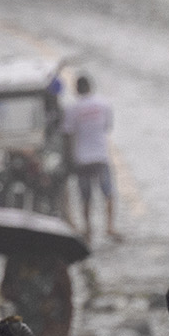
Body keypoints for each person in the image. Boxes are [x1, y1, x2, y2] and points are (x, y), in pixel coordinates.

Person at [63, 72, 118, 242]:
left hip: (82, 159)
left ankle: (88, 230)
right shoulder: (104, 104)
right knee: (108, 193)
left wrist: (69, 159)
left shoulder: (72, 108)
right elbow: (107, 127)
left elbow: (68, 133)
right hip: (101, 156)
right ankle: (109, 227)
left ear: (76, 90)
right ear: (90, 87)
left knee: (85, 197)